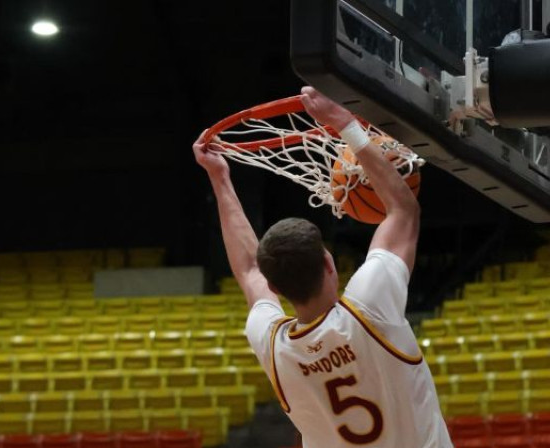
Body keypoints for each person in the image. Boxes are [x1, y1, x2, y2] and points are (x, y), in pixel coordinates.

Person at [192, 87, 452, 448]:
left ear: (275, 288)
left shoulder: (275, 346)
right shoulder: (367, 308)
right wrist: (344, 123)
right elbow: (403, 210)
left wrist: (220, 180)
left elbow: (249, 270)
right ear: (329, 262)